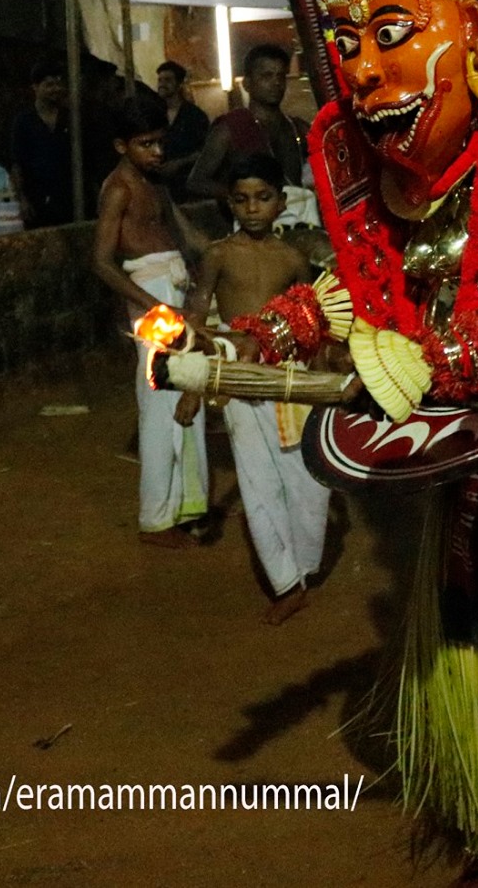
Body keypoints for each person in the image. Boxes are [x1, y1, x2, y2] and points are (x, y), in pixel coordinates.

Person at [178, 154, 333, 624]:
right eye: (242, 199)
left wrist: (324, 388)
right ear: (229, 203)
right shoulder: (219, 255)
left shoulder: (293, 259)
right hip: (236, 375)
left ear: (282, 202)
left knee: (308, 481)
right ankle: (285, 582)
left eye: (263, 198)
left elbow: (316, 323)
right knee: (257, 480)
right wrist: (191, 382)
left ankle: (305, 564)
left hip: (289, 375)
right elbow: (197, 319)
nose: (252, 209)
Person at [92, 90, 210, 548]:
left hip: (173, 291)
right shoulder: (118, 189)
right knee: (161, 407)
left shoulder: (155, 182)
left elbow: (185, 234)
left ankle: (186, 506)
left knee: (188, 393)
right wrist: (155, 306)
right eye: (146, 144)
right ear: (122, 145)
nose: (158, 152)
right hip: (153, 299)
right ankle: (156, 518)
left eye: (160, 142)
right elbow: (101, 262)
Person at [186, 45, 308, 201]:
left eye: (281, 76)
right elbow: (196, 181)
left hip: (299, 218)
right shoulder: (230, 128)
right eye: (266, 76)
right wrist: (245, 199)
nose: (276, 82)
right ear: (247, 84)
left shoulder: (296, 127)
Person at [10, 60, 75, 229]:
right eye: (49, 84)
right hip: (37, 201)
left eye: (59, 84)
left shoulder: (71, 118)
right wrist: (22, 200)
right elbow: (17, 164)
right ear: (35, 87)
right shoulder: (23, 121)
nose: (56, 89)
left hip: (70, 200)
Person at [155, 60, 212, 196]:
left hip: (185, 185)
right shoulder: (153, 113)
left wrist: (179, 164)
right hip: (159, 185)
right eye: (160, 80)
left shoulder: (195, 116)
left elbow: (205, 150)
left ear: (179, 84)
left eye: (168, 80)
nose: (162, 84)